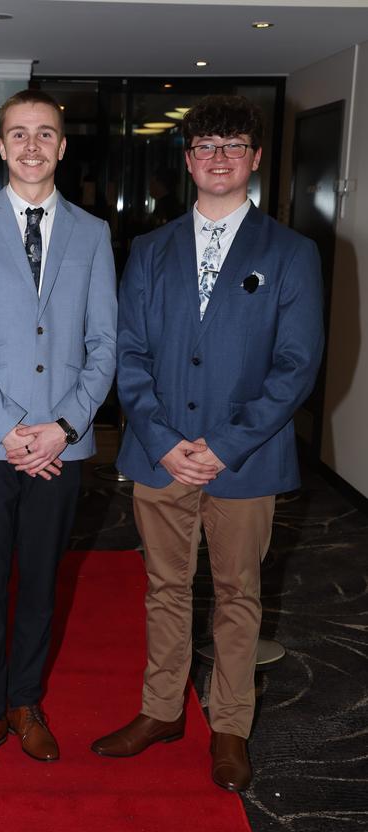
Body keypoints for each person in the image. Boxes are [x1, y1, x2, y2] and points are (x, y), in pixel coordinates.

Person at [91, 94, 324, 792]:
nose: (217, 157)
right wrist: (163, 441)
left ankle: (230, 726)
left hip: (244, 460)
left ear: (254, 159)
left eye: (232, 145)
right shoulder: (150, 248)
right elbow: (128, 353)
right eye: (204, 146)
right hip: (159, 456)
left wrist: (222, 444)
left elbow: (296, 365)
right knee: (164, 588)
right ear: (188, 160)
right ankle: (161, 709)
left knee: (237, 594)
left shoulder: (291, 252)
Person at [0, 89, 117, 774]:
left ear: (63, 146)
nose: (32, 146)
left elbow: (103, 344)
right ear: (1, 146)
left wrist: (63, 425)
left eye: (45, 134)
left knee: (42, 583)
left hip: (63, 444)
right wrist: (14, 427)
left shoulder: (93, 233)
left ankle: (25, 703)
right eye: (19, 134)